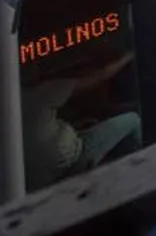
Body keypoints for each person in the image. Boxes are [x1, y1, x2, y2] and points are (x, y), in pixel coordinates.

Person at [23, 51, 142, 188]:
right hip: (73, 161)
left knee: (91, 122)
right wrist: (129, 56)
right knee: (134, 119)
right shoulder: (43, 90)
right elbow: (99, 76)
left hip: (42, 180)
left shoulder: (12, 104)